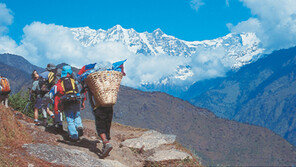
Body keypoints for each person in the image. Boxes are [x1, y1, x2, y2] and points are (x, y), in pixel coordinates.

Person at [55, 65, 83, 141]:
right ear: (69, 73)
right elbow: (79, 90)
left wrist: (59, 106)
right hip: (76, 100)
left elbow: (59, 93)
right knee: (77, 115)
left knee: (70, 119)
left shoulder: (60, 83)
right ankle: (79, 126)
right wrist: (81, 101)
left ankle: (74, 136)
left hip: (67, 102)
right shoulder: (74, 81)